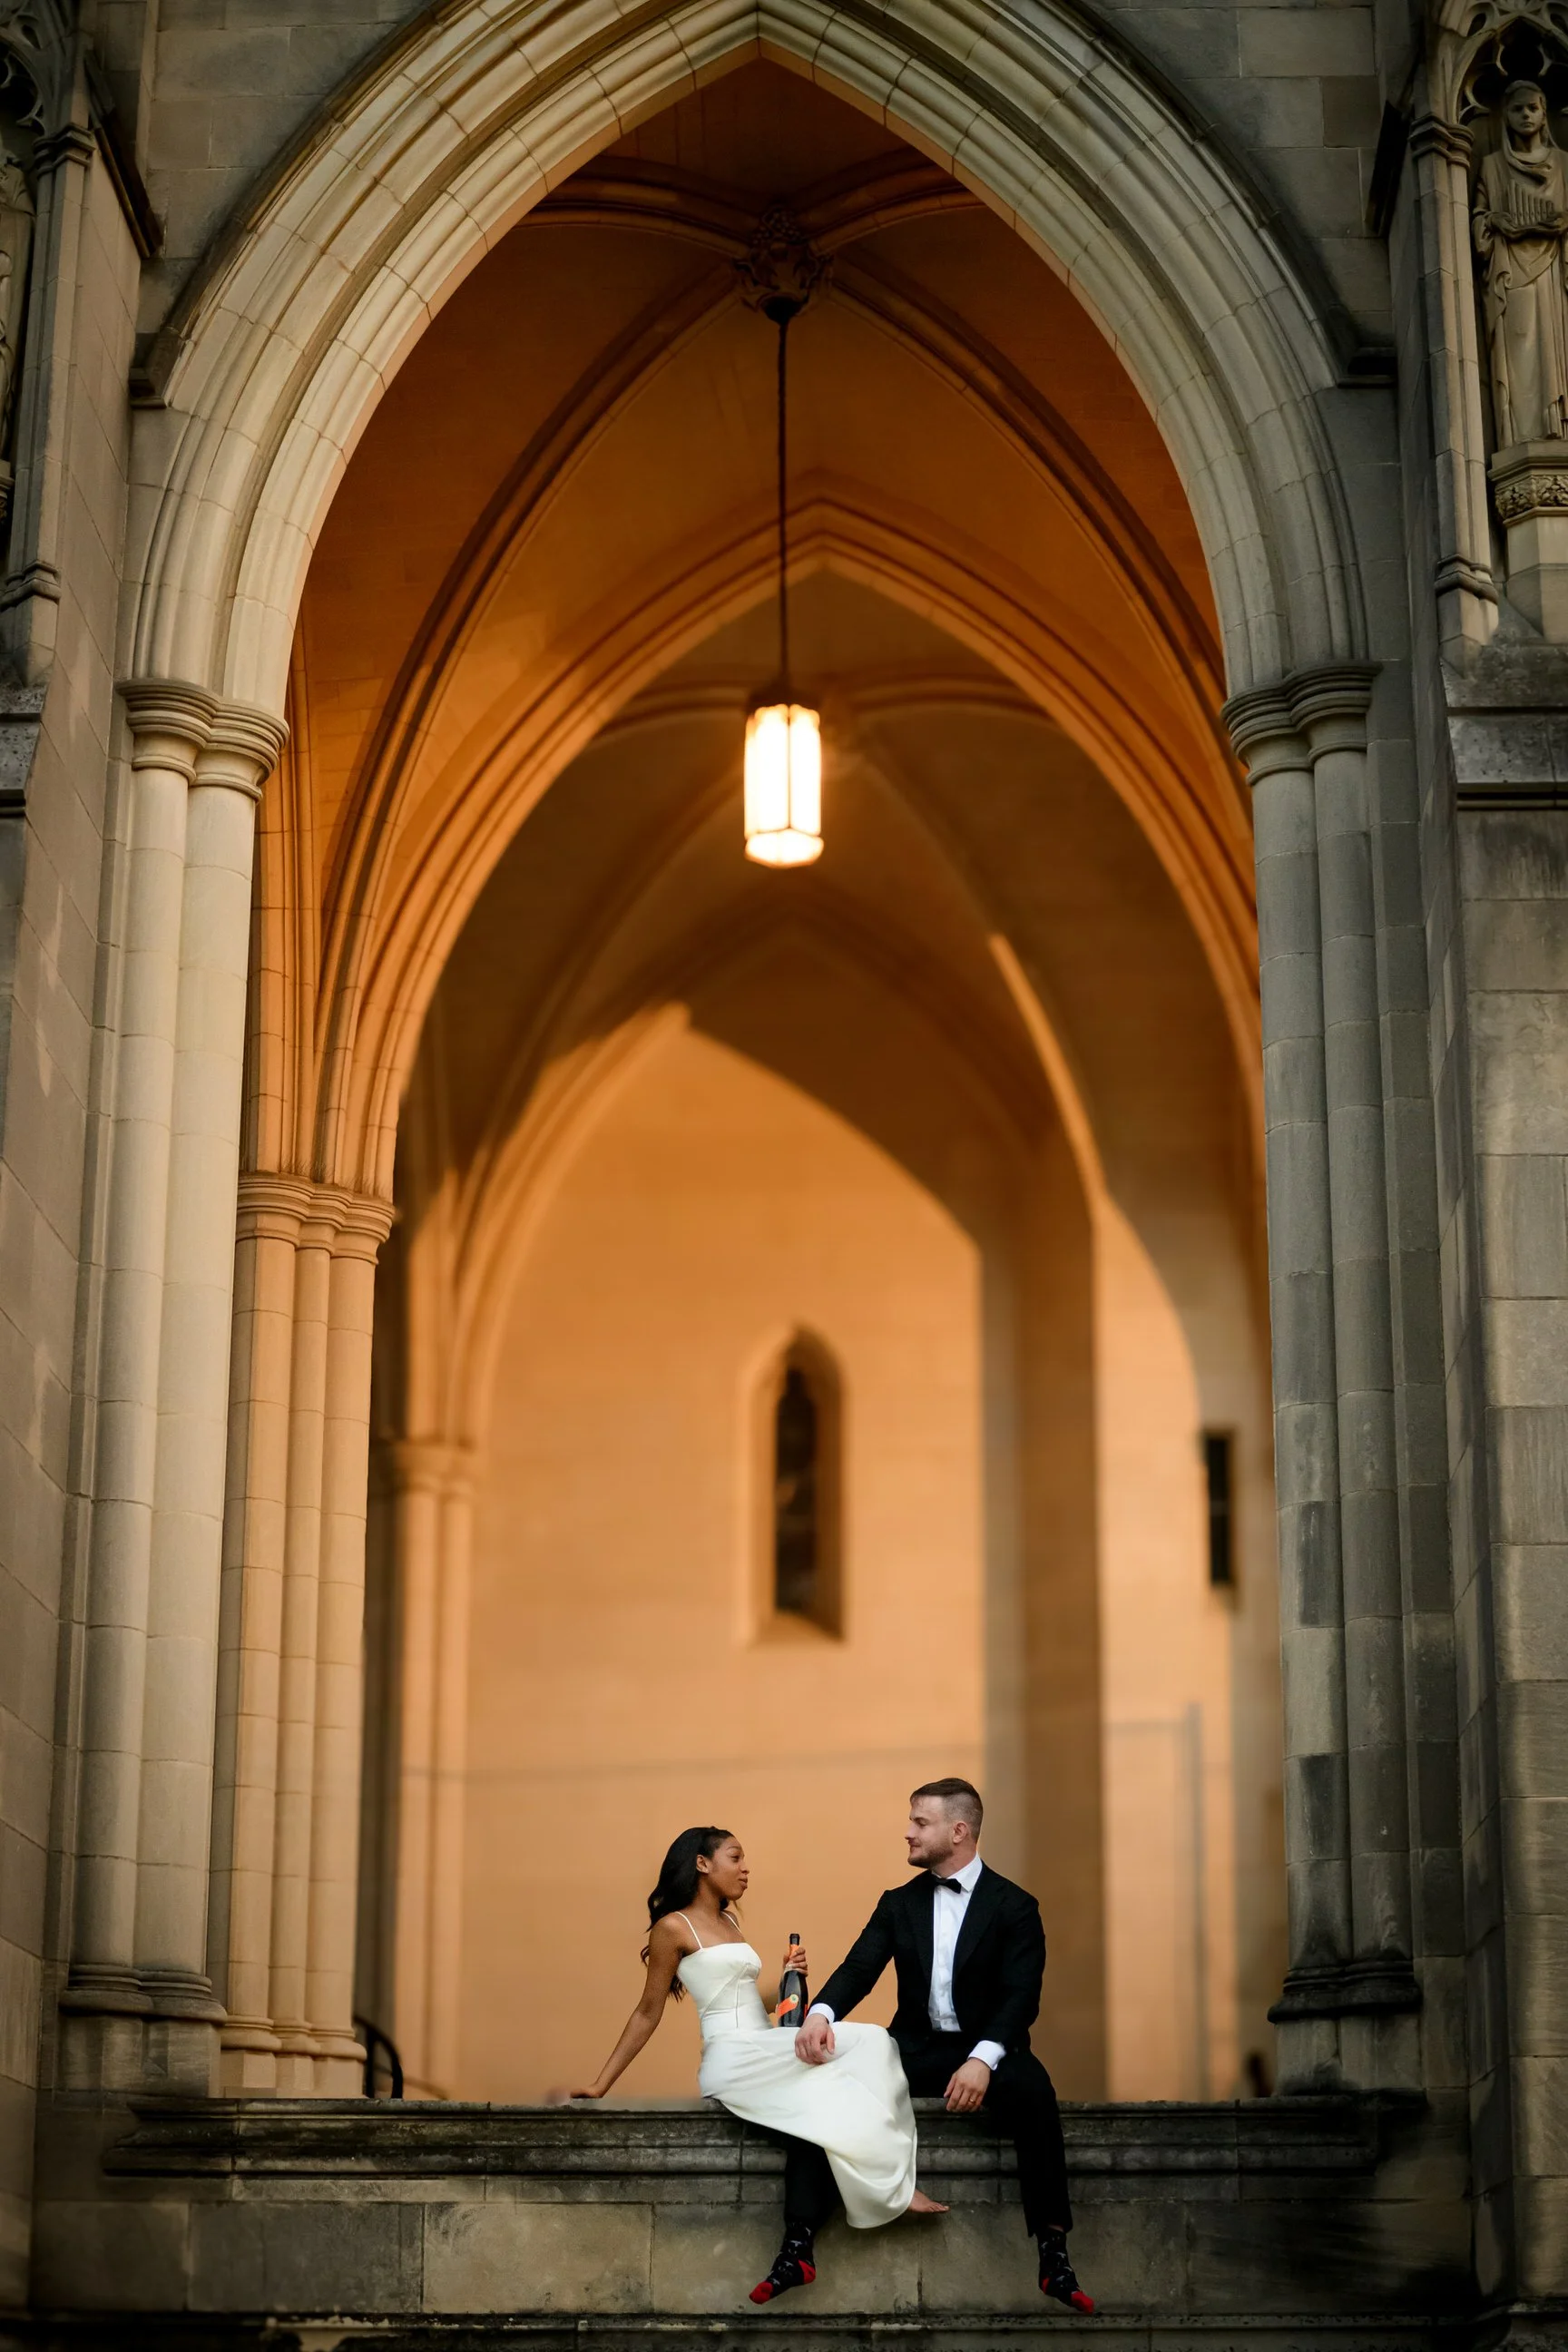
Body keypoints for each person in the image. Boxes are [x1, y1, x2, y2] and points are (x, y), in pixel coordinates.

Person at [554, 1826, 947, 2304]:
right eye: (735, 1858)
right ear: (702, 1864)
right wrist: (601, 2084)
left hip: (764, 2044)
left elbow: (747, 2000)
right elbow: (647, 2012)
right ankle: (893, 2191)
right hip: (732, 2057)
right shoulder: (673, 1928)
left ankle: (827, 2231)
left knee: (873, 2042)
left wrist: (787, 1979)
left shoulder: (729, 1922)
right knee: (841, 2072)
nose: (745, 1869)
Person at [793, 1777, 1094, 2314]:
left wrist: (982, 2060)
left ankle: (1054, 2254)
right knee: (825, 2080)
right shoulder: (898, 1903)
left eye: (920, 1822)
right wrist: (820, 2013)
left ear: (958, 1831)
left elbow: (1021, 1997)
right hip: (914, 2047)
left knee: (1035, 2092)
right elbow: (859, 1968)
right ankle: (798, 2243)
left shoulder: (1015, 1906)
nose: (908, 1832)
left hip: (990, 2049)